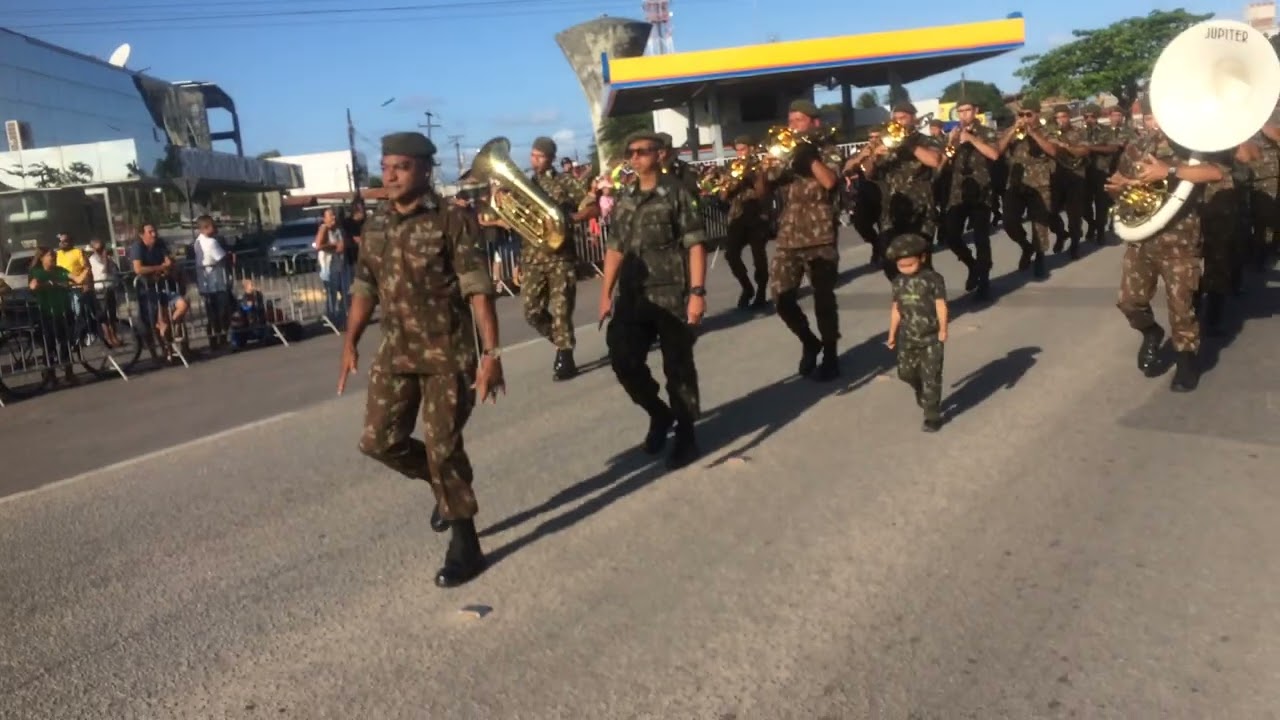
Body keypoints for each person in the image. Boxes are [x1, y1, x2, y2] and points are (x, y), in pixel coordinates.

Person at [339, 131, 505, 588]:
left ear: (425, 170)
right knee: (378, 441)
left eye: (401, 166)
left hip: (447, 354)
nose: (389, 175)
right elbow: (364, 287)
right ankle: (440, 485)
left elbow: (478, 289)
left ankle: (465, 542)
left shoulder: (452, 221)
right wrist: (350, 340)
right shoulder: (375, 224)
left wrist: (491, 353)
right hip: (395, 351)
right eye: (386, 165)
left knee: (443, 446)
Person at [597, 130, 707, 469]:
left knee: (678, 369)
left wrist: (697, 294)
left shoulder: (677, 193)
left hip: (671, 294)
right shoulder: (626, 197)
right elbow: (615, 247)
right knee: (623, 358)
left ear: (660, 155)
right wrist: (605, 294)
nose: (635, 157)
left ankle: (686, 435)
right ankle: (659, 414)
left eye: (642, 151)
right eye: (630, 152)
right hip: (634, 296)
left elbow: (695, 244)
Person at [1106, 97, 1227, 392]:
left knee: (1181, 306)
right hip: (1142, 239)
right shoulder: (1138, 146)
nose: (1154, 122)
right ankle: (1150, 331)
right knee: (1129, 301)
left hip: (1180, 242)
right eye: (1150, 117)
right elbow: (1119, 182)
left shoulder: (1194, 144)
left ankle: (1187, 362)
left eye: (1159, 115)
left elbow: (1217, 172)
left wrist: (1169, 171)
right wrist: (1119, 189)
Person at [756, 99, 843, 380]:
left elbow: (830, 181)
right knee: (781, 298)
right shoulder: (785, 152)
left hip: (821, 237)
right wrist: (761, 169)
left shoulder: (828, 149)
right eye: (790, 121)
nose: (792, 126)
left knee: (823, 301)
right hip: (788, 236)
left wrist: (809, 156)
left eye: (799, 121)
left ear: (814, 122)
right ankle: (809, 340)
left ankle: (830, 353)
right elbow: (761, 192)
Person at [884, 233, 948, 432]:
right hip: (907, 337)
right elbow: (896, 309)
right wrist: (892, 334)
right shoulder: (898, 282)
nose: (905, 270)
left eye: (909, 265)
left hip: (931, 337)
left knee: (932, 377)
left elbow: (941, 305)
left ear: (922, 258)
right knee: (906, 373)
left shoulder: (933, 279)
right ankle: (919, 389)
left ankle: (932, 415)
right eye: (901, 266)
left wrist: (943, 329)